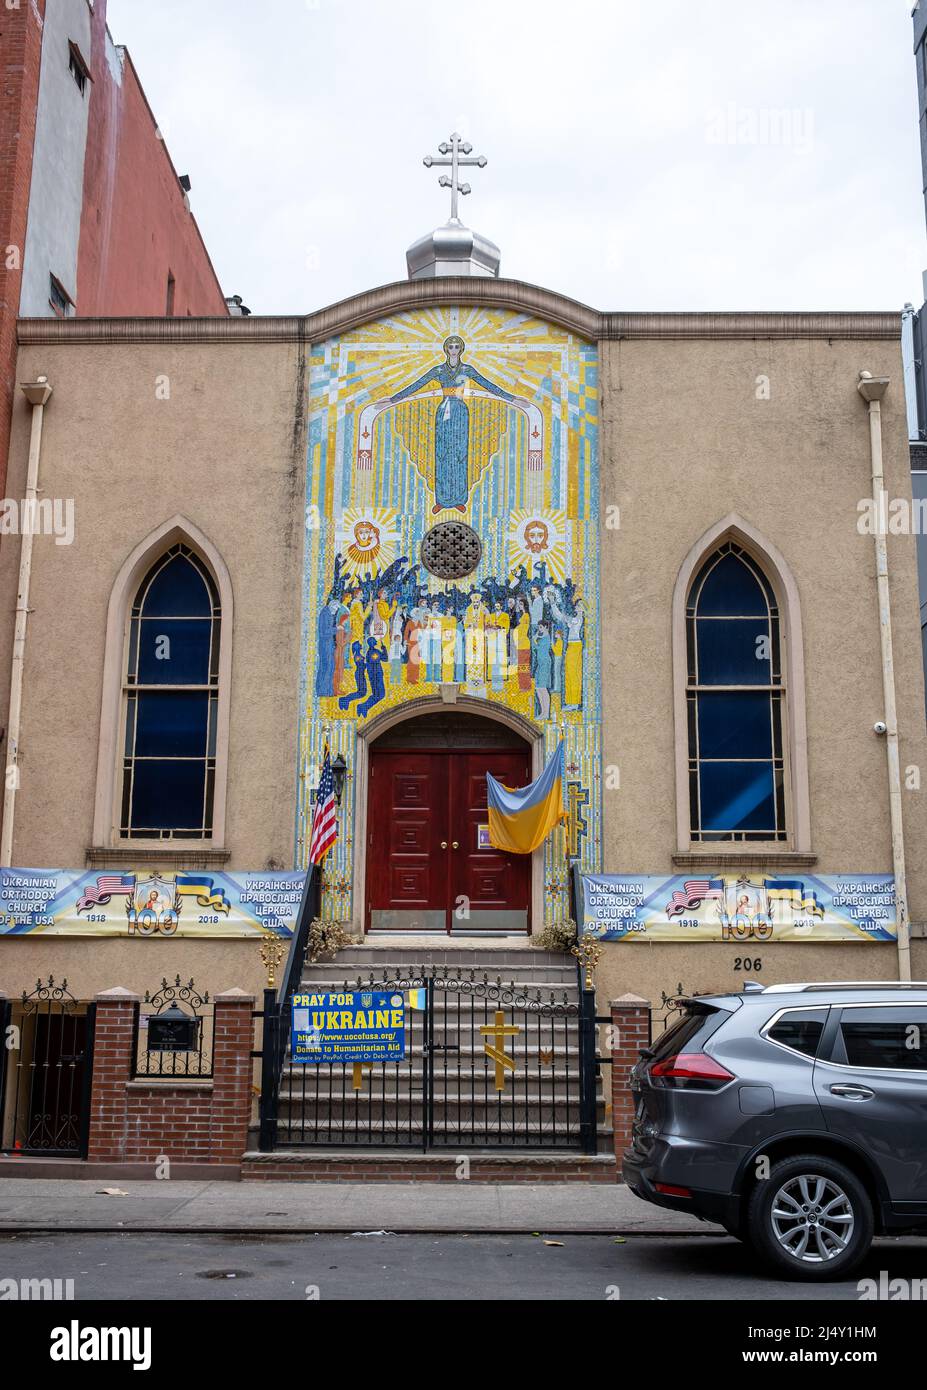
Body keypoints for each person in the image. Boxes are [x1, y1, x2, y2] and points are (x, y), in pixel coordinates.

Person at [388, 336, 515, 513]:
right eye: (450, 346)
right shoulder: (439, 370)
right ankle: (441, 500)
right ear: (446, 349)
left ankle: (459, 500)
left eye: (456, 346)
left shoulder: (467, 369)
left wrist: (512, 398)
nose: (453, 349)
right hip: (444, 412)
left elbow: (488, 385)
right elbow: (417, 385)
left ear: (461, 349)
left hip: (461, 413)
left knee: (460, 455)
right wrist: (392, 400)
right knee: (442, 455)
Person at [357, 638, 389, 718]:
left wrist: (384, 649)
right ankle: (363, 707)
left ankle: (363, 707)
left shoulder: (372, 652)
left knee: (378, 695)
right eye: (374, 641)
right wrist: (384, 649)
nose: (376, 641)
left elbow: (384, 659)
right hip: (376, 676)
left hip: (375, 675)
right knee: (379, 694)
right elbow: (385, 658)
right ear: (372, 643)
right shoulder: (374, 652)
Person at [338, 641, 368, 711]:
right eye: (359, 645)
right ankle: (345, 699)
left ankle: (345, 700)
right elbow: (361, 665)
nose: (361, 645)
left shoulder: (358, 654)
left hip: (361, 673)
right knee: (361, 692)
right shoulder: (357, 655)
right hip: (359, 673)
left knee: (362, 692)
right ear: (356, 647)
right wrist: (367, 664)